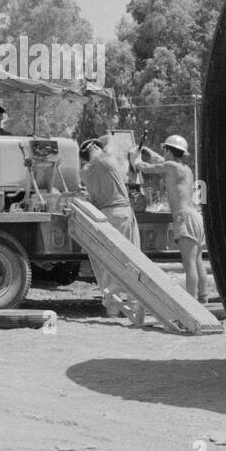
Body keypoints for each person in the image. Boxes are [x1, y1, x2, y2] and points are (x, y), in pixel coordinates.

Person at [133, 134, 209, 303]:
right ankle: (203, 297)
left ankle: (191, 304)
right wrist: (148, 151)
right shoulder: (184, 168)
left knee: (188, 264)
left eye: (165, 150)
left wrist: (135, 158)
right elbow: (161, 161)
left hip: (185, 218)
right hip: (196, 217)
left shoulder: (169, 166)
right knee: (197, 262)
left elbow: (145, 167)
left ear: (168, 150)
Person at [81, 136, 141, 318]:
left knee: (109, 264)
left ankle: (112, 310)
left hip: (103, 217)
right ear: (95, 148)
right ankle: (136, 305)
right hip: (120, 213)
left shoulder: (84, 172)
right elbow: (112, 139)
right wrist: (133, 155)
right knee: (131, 261)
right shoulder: (104, 159)